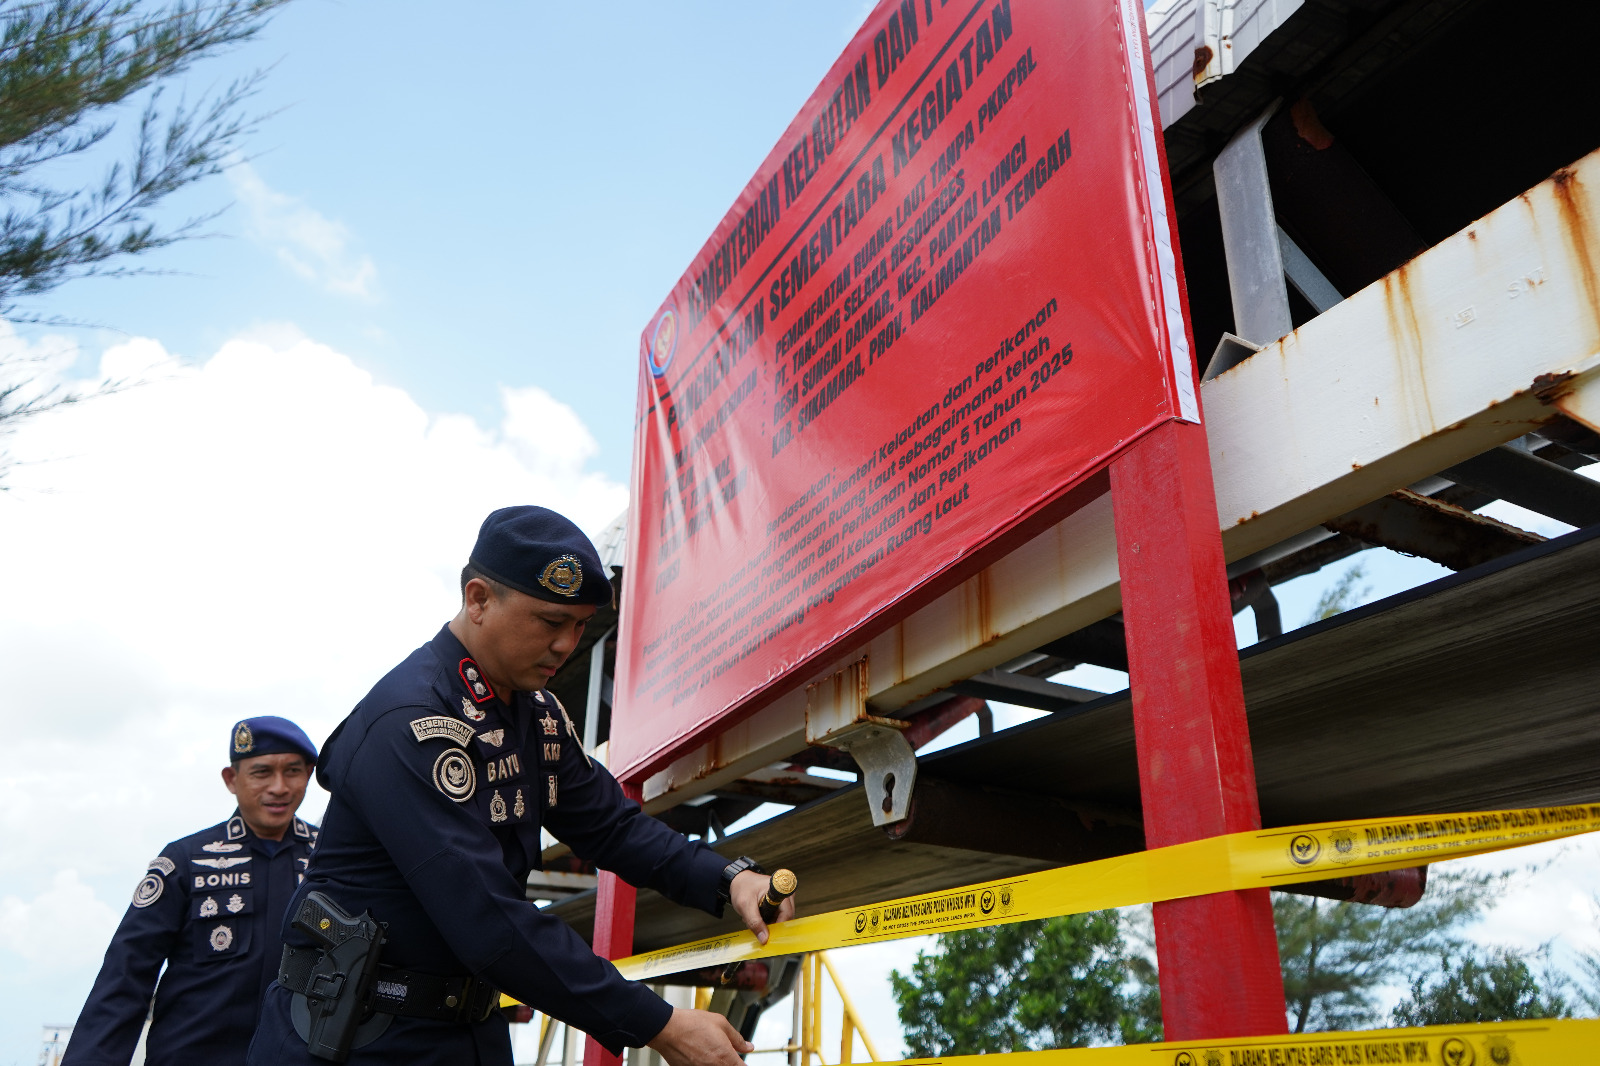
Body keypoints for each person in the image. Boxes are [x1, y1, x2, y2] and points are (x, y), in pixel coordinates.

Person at [248, 505, 796, 1066]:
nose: (567, 644)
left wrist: (727, 879)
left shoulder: (536, 717)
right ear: (479, 599)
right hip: (354, 1039)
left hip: (464, 1033)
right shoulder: (412, 722)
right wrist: (657, 1023)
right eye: (550, 622)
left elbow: (611, 827)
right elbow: (486, 917)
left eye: (580, 625)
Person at [66, 717, 321, 1066]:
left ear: (309, 774)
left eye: (293, 771)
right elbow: (126, 976)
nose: (279, 787)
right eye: (261, 773)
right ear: (232, 779)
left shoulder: (331, 862)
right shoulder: (185, 861)